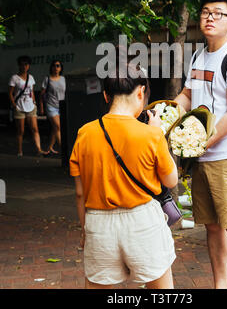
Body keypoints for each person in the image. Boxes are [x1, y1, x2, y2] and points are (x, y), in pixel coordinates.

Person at [69, 61, 178, 289]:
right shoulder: (151, 135)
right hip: (143, 222)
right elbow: (171, 181)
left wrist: (84, 230)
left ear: (106, 96)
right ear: (141, 92)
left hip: (98, 225)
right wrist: (158, 133)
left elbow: (80, 194)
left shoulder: (84, 133)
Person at [175, 0, 227, 289]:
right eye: (205, 12)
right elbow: (187, 96)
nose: (210, 17)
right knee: (212, 226)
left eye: (218, 13)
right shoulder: (199, 54)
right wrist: (166, 116)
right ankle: (219, 285)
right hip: (203, 155)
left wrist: (199, 143)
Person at [8, 55, 46, 157]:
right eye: (22, 64)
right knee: (21, 130)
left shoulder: (31, 77)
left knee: (35, 128)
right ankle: (20, 151)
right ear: (19, 65)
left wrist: (34, 102)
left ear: (28, 66)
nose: (24, 66)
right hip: (19, 106)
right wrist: (14, 105)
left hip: (30, 105)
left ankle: (39, 149)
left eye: (26, 64)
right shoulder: (14, 78)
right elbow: (10, 93)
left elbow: (32, 91)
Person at [40, 60, 66, 154]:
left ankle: (49, 148)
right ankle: (64, 150)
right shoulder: (47, 79)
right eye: (54, 66)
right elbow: (42, 94)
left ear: (61, 68)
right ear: (51, 67)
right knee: (58, 127)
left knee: (55, 128)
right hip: (51, 106)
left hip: (61, 106)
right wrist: (42, 106)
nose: (56, 68)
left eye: (58, 66)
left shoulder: (63, 79)